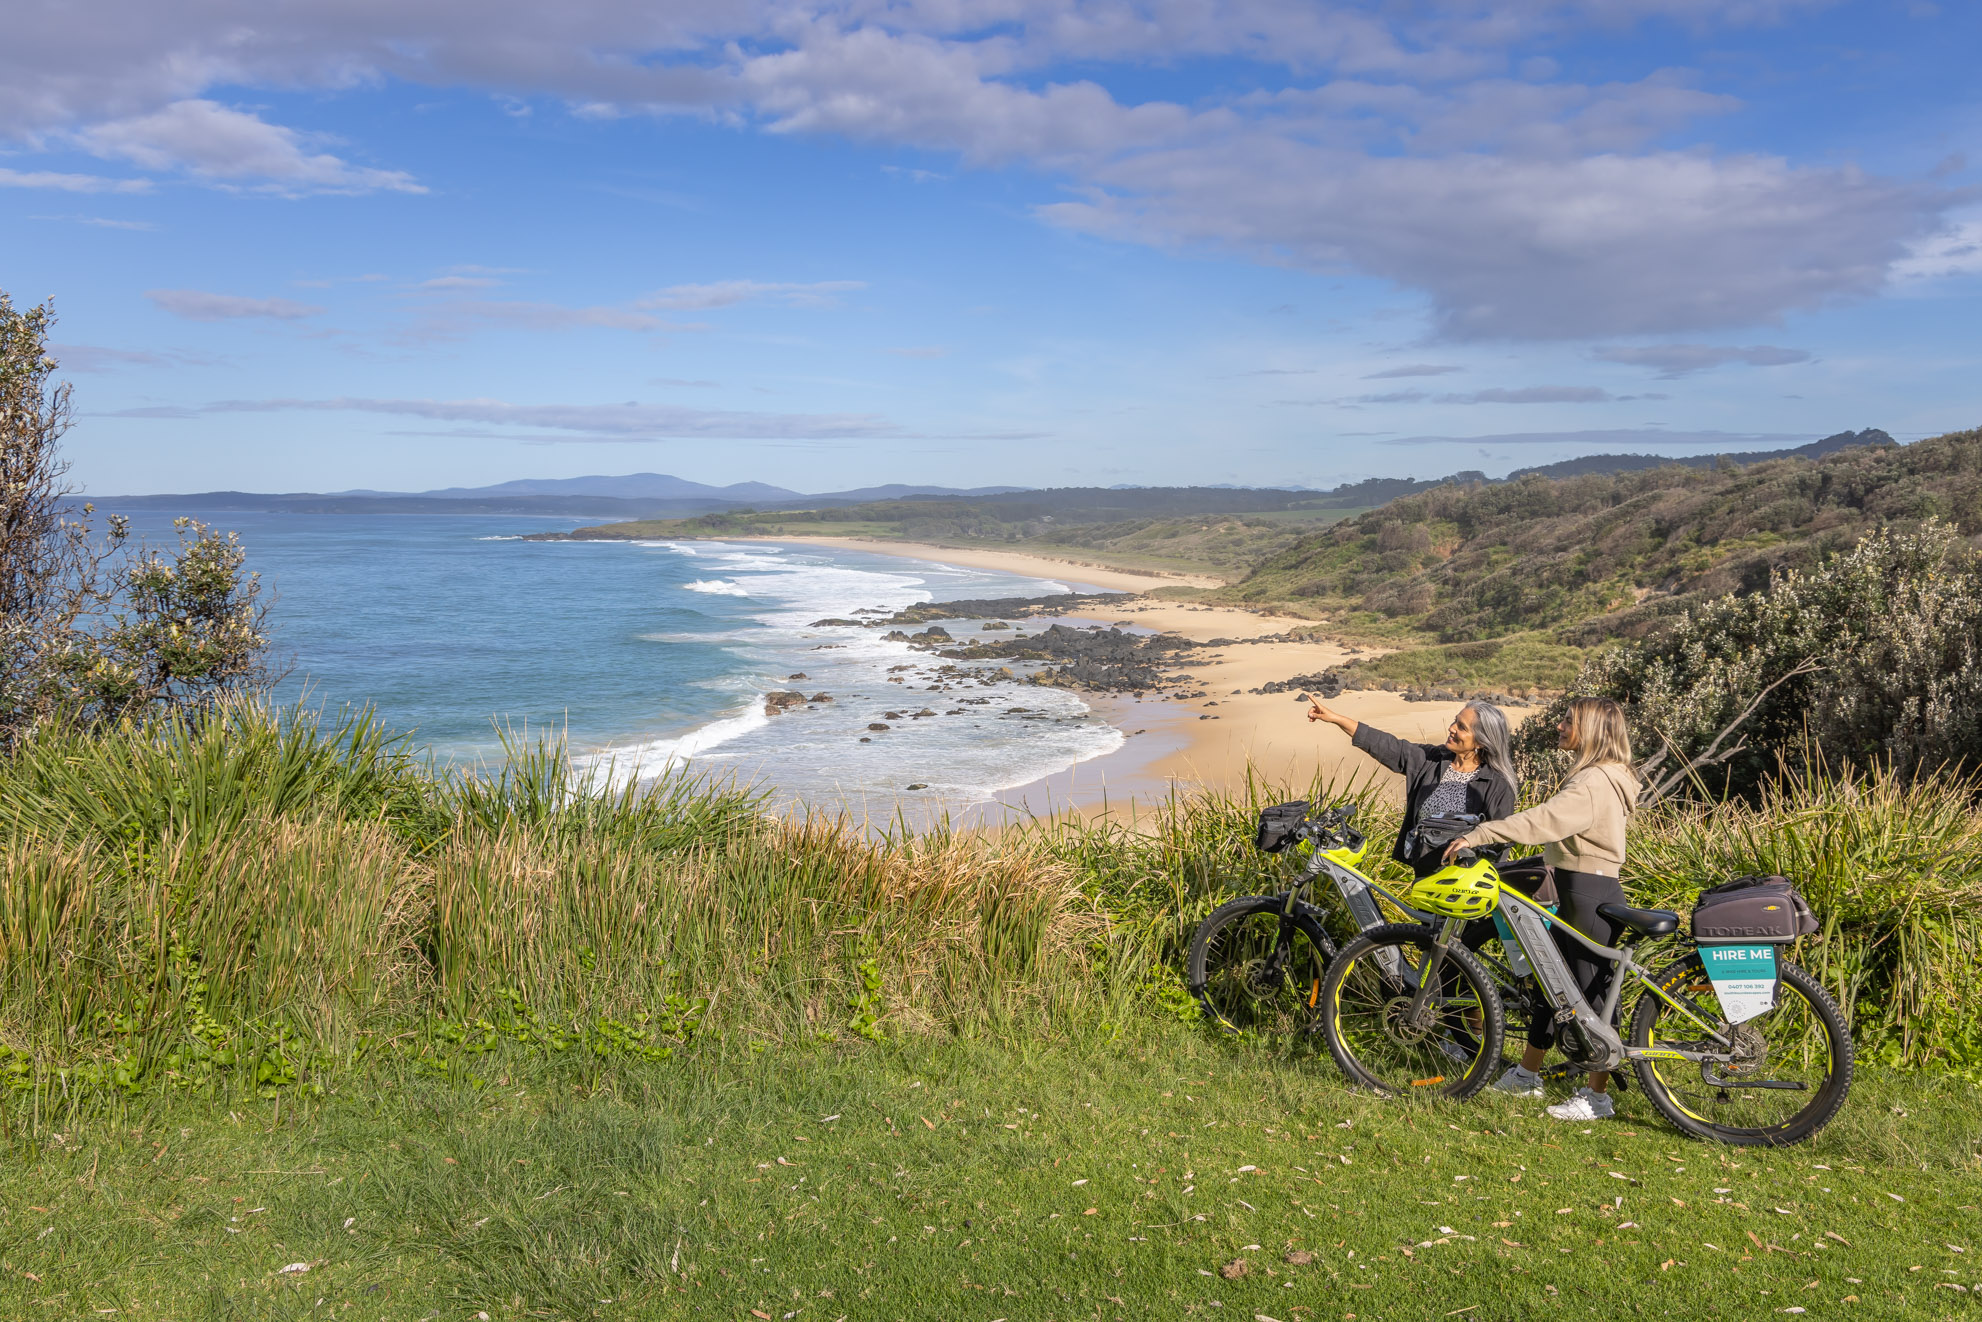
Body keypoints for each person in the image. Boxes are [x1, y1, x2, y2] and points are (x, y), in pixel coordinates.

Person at [1443, 696, 1639, 1122]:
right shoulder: (1602, 776)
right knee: (1552, 988)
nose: (1560, 726)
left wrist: (1481, 834)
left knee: (1590, 1000)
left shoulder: (1594, 781)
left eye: (1568, 721)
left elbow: (1544, 820)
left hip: (1587, 892)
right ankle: (1527, 1074)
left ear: (1589, 730)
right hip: (1580, 888)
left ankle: (1596, 1099)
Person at [1306, 696, 1516, 877]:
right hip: (1423, 879)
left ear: (1481, 742)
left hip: (1464, 890)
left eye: (1461, 727)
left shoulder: (1497, 785)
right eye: (1455, 721)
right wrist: (1337, 719)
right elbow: (1388, 745)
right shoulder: (1433, 760)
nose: (1452, 728)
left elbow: (1499, 842)